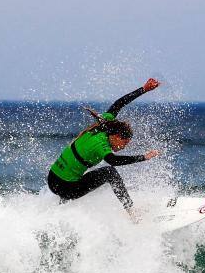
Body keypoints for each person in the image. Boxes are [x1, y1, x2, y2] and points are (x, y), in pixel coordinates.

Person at [47, 78, 161, 219]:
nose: (123, 147)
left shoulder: (104, 125)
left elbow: (119, 104)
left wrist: (144, 89)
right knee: (110, 173)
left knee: (82, 174)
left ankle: (59, 212)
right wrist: (143, 157)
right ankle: (132, 213)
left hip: (52, 178)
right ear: (116, 136)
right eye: (124, 143)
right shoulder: (100, 144)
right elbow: (113, 161)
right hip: (65, 187)